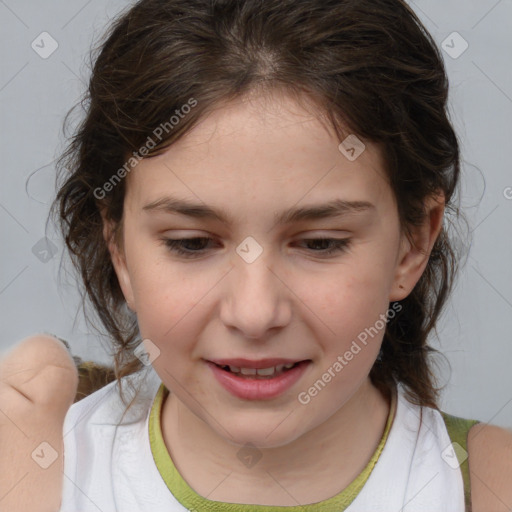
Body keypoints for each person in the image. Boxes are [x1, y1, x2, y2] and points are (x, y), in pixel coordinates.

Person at [1, 0, 511, 510]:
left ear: (413, 243)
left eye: (320, 244)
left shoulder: (494, 487)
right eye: (191, 244)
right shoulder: (30, 472)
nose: (254, 313)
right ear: (120, 249)